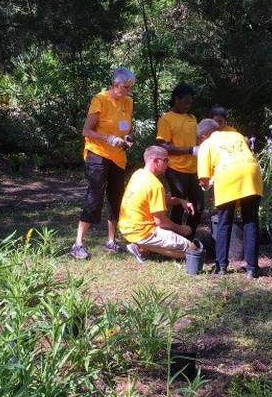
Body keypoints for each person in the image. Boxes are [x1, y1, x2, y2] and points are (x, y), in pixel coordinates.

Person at [70, 68, 135, 260]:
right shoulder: (100, 99)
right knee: (95, 196)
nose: (127, 91)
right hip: (97, 153)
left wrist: (128, 139)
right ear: (115, 85)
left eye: (130, 88)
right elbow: (86, 130)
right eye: (125, 87)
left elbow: (127, 129)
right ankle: (78, 243)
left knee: (116, 197)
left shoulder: (128, 102)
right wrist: (109, 139)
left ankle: (111, 241)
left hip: (118, 157)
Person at [196, 118, 263, 277]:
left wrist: (206, 185)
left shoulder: (206, 144)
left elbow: (204, 179)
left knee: (224, 222)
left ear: (204, 135)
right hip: (252, 174)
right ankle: (252, 268)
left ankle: (221, 267)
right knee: (250, 220)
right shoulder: (237, 135)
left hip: (227, 175)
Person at [119, 145, 197, 263]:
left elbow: (159, 198)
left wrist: (180, 201)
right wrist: (182, 229)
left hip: (127, 228)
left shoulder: (139, 174)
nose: (168, 164)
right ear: (155, 161)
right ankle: (142, 247)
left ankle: (140, 246)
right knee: (192, 250)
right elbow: (161, 222)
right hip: (143, 231)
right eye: (166, 160)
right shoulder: (155, 185)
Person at [156, 83, 203, 236]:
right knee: (178, 205)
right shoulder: (166, 118)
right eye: (185, 102)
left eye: (190, 103)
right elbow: (164, 146)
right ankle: (173, 241)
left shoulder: (192, 118)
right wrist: (190, 150)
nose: (188, 106)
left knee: (198, 206)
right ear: (176, 99)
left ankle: (188, 239)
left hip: (194, 169)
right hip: (176, 169)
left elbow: (197, 141)